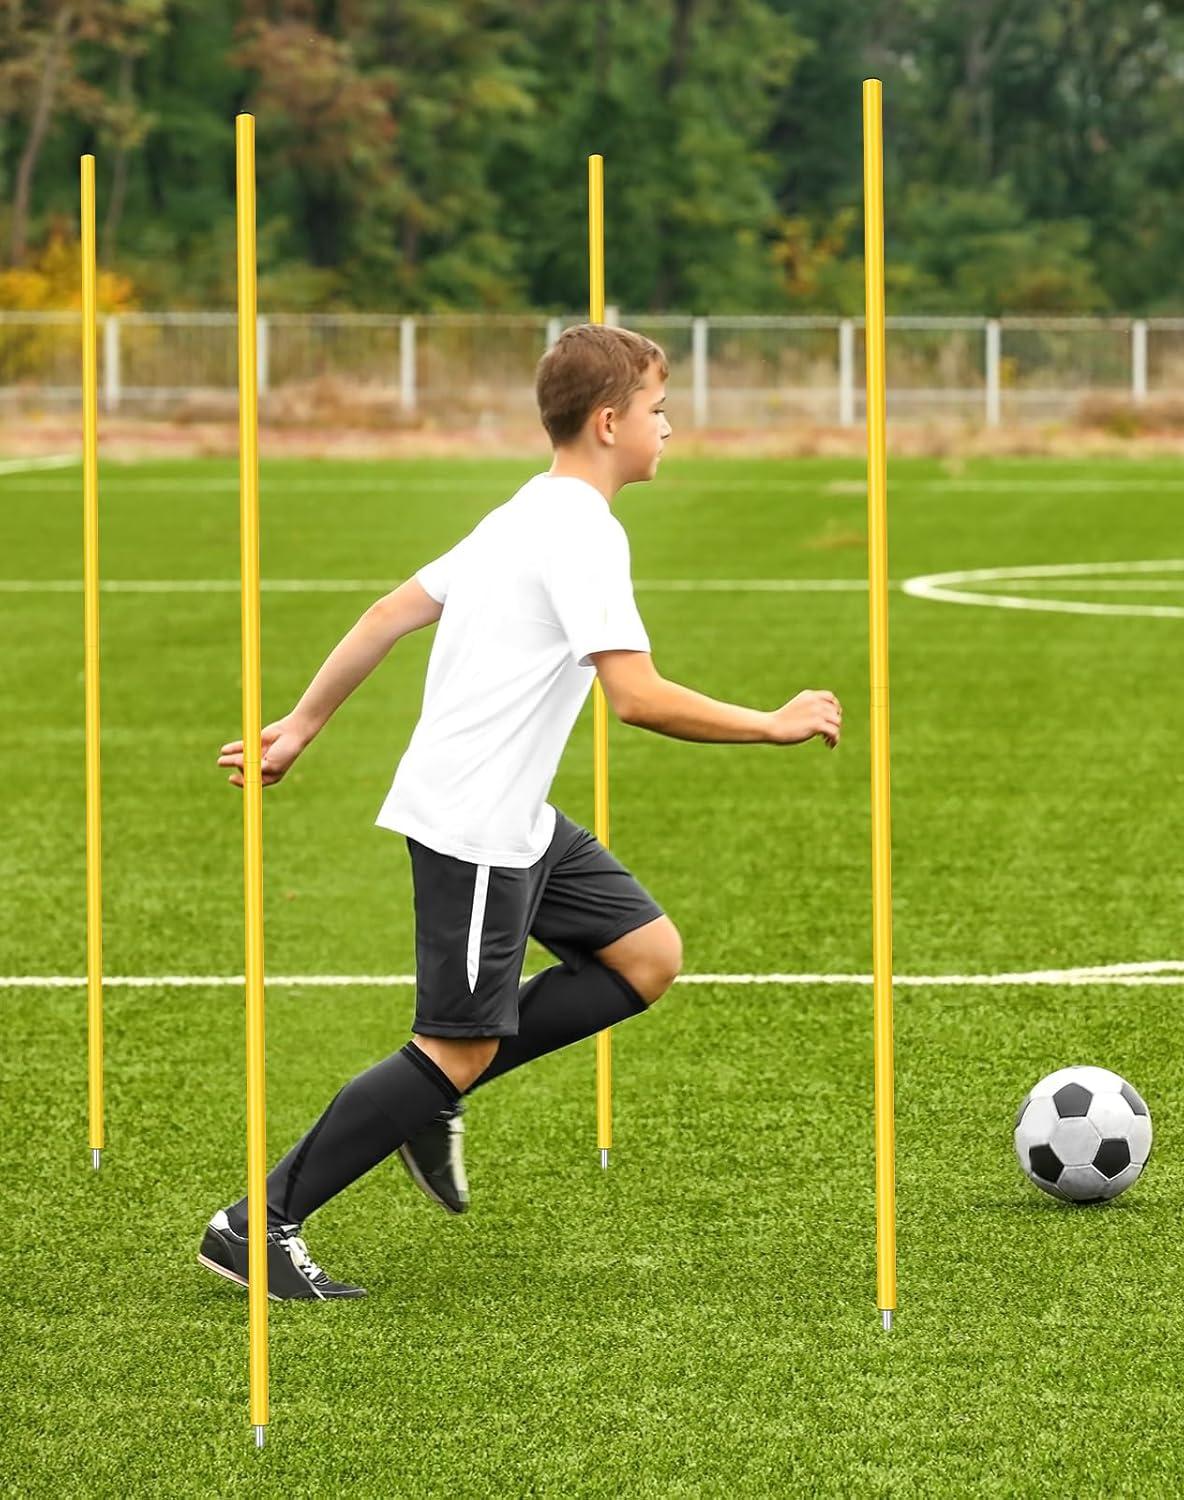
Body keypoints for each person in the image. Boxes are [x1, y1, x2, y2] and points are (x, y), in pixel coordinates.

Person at [198, 324, 844, 1299]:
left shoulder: (526, 510)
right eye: (660, 409)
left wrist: (302, 724)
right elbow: (636, 697)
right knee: (451, 1046)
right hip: (476, 828)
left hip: (521, 820)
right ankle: (257, 1223)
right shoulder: (581, 532)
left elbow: (388, 612)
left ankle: (431, 1094)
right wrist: (772, 723)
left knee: (646, 956)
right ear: (610, 421)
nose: (670, 427)